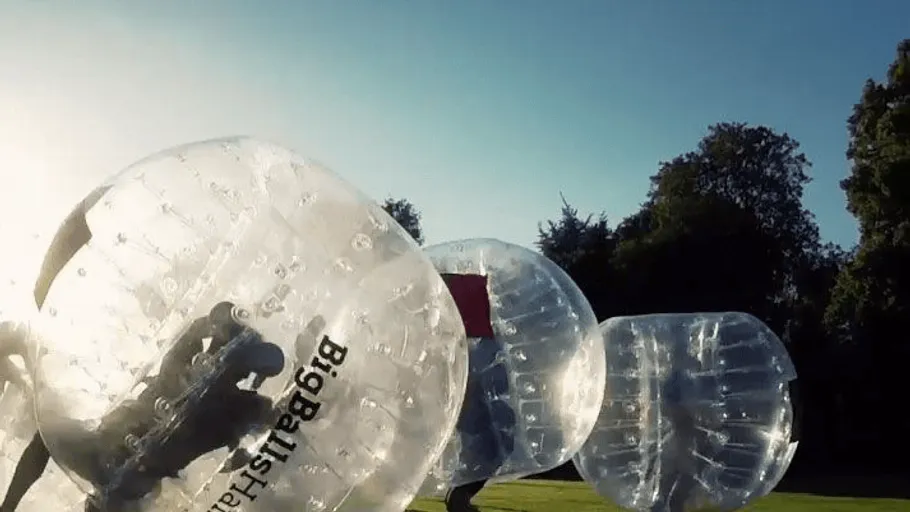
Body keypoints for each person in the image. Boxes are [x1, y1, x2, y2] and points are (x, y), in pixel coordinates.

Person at [0, 301, 284, 512]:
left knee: (50, 426)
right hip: (122, 456)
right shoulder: (222, 403)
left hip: (125, 462)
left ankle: (19, 354)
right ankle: (19, 353)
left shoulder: (215, 396)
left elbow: (45, 437)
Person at [438, 273, 516, 512]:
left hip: (468, 350)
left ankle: (459, 496)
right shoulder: (481, 345)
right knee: (494, 445)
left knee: (482, 444)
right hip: (477, 350)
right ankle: (459, 497)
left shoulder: (467, 287)